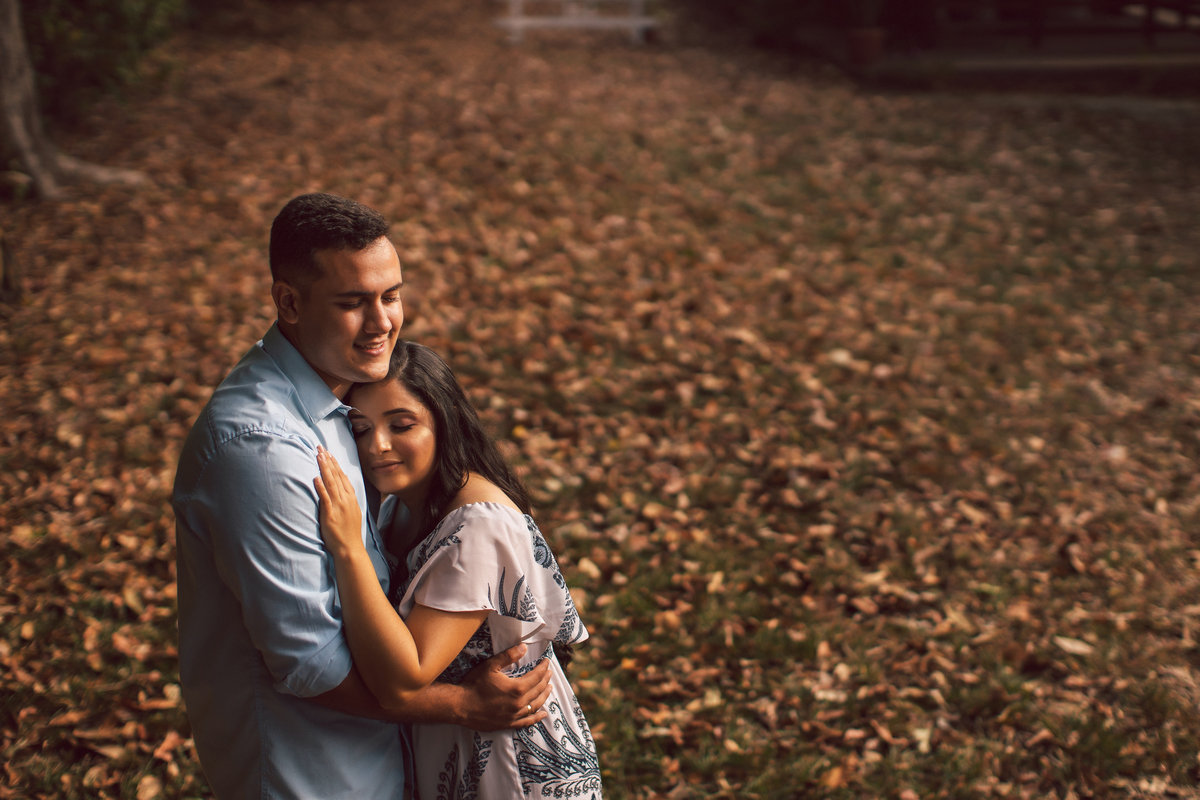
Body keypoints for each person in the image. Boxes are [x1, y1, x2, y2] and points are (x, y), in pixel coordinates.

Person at [173, 193, 552, 800]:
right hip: (313, 773)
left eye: (391, 295)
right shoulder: (260, 450)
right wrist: (462, 705)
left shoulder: (349, 399)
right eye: (352, 303)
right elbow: (311, 668)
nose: (382, 323)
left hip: (384, 758)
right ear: (289, 302)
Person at [313, 341, 602, 799]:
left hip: (513, 764)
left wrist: (348, 549)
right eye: (361, 429)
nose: (377, 446)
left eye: (402, 425)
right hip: (457, 746)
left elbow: (402, 678)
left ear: (445, 424)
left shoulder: (478, 526)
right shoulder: (401, 509)